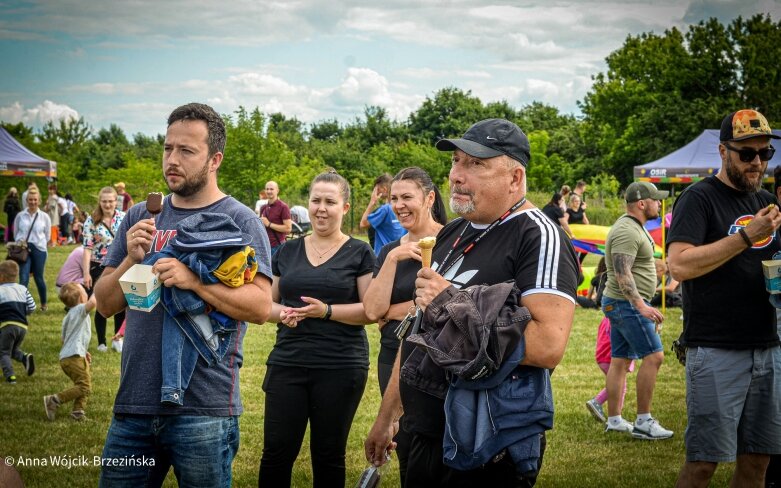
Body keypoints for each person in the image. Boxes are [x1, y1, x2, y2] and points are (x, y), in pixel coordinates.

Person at [364, 118, 579, 487]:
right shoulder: (454, 232)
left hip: (487, 442)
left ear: (515, 178)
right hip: (426, 433)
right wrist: (388, 416)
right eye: (456, 162)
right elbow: (420, 328)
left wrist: (450, 301)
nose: (456, 175)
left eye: (476, 164)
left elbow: (548, 345)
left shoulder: (538, 234)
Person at [94, 102, 273, 487]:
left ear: (215, 159)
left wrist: (195, 281)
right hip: (133, 407)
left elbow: (260, 307)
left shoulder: (240, 221)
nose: (172, 160)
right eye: (167, 148)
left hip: (204, 409)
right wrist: (130, 260)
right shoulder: (139, 216)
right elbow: (106, 304)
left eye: (186, 151)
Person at [667, 109, 781, 487]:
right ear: (722, 151)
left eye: (764, 154)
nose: (757, 163)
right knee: (704, 463)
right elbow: (679, 265)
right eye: (746, 154)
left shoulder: (765, 201)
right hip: (716, 348)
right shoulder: (698, 199)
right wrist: (747, 236)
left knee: (757, 460)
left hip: (767, 345)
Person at [258, 171, 374, 487]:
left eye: (330, 202)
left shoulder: (360, 252)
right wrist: (284, 314)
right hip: (288, 362)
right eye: (315, 200)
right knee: (276, 452)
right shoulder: (286, 251)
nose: (321, 208)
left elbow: (370, 310)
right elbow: (266, 304)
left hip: (340, 365)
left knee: (328, 454)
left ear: (345, 208)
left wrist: (327, 311)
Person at [363, 166, 448, 485]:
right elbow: (372, 310)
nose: (399, 205)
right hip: (391, 357)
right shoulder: (389, 250)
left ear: (429, 198)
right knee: (405, 443)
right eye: (394, 198)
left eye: (407, 197)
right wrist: (393, 258)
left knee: (435, 446)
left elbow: (445, 301)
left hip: (437, 358)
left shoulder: (452, 241)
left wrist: (397, 309)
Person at [600, 181, 673, 440]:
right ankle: (644, 421)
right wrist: (641, 305)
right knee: (654, 356)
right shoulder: (627, 231)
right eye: (656, 200)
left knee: (620, 361)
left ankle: (615, 420)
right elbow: (622, 273)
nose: (659, 204)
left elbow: (637, 262)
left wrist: (660, 265)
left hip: (620, 303)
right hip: (626, 304)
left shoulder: (633, 228)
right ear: (642, 203)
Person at [585, 258, 635, 424]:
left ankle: (604, 407)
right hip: (611, 359)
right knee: (620, 385)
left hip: (603, 357)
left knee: (617, 383)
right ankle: (606, 409)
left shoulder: (607, 318)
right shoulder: (619, 320)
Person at [82, 186, 126, 353]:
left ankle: (117, 338)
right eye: (104, 201)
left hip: (120, 264)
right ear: (99, 202)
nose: (107, 205)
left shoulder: (123, 218)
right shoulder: (91, 220)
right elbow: (87, 248)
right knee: (101, 302)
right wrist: (86, 273)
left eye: (110, 201)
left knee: (120, 302)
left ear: (116, 201)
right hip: (98, 265)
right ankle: (101, 342)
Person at [43, 283, 95, 421]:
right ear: (80, 297)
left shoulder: (69, 316)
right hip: (74, 357)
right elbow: (93, 302)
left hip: (69, 356)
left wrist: (84, 351)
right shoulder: (79, 310)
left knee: (83, 382)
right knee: (85, 386)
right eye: (85, 291)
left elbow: (64, 339)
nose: (87, 293)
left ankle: (78, 412)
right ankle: (55, 400)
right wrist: (99, 288)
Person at [14, 188, 51, 311]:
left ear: (39, 201)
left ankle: (44, 304)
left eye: (35, 199)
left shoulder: (44, 217)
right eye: (30, 199)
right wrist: (21, 243)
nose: (33, 202)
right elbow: (16, 233)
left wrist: (38, 243)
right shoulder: (20, 216)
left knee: (38, 277)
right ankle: (20, 305)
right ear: (26, 200)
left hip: (39, 249)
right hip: (23, 249)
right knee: (23, 277)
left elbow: (48, 236)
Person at [0, 260, 36, 384]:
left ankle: (10, 377)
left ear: (1, 277)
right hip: (22, 326)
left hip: (7, 326)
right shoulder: (23, 288)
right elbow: (32, 307)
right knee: (13, 349)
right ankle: (25, 357)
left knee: (3, 351)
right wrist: (22, 313)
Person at [360, 173, 407, 255]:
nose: (375, 192)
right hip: (399, 256)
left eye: (377, 189)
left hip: (383, 258)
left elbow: (363, 224)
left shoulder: (385, 210)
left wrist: (372, 202)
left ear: (384, 189)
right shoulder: (402, 208)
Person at [259, 181, 292, 255]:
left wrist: (269, 224)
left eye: (271, 189)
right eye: (267, 189)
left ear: (277, 190)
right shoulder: (263, 208)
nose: (269, 191)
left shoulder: (283, 207)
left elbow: (288, 229)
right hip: (265, 246)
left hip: (278, 246)